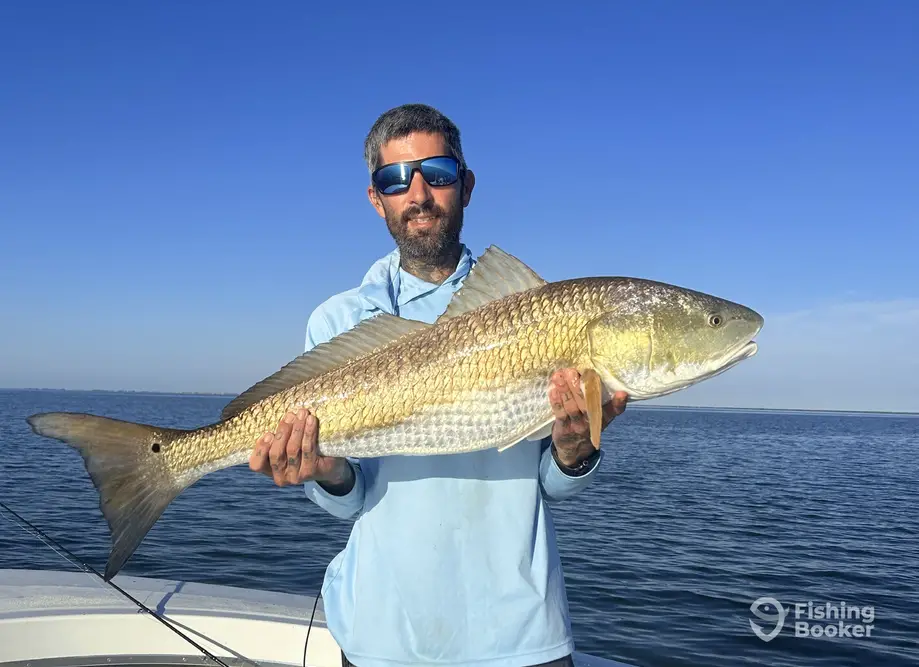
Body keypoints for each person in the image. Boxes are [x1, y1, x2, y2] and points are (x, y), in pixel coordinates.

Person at [248, 103, 628, 667]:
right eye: (396, 179)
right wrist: (325, 470)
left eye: (439, 174)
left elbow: (551, 486)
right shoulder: (336, 322)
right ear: (377, 198)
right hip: (384, 636)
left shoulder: (538, 314)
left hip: (521, 635)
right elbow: (347, 504)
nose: (420, 194)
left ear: (467, 186)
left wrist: (574, 450)